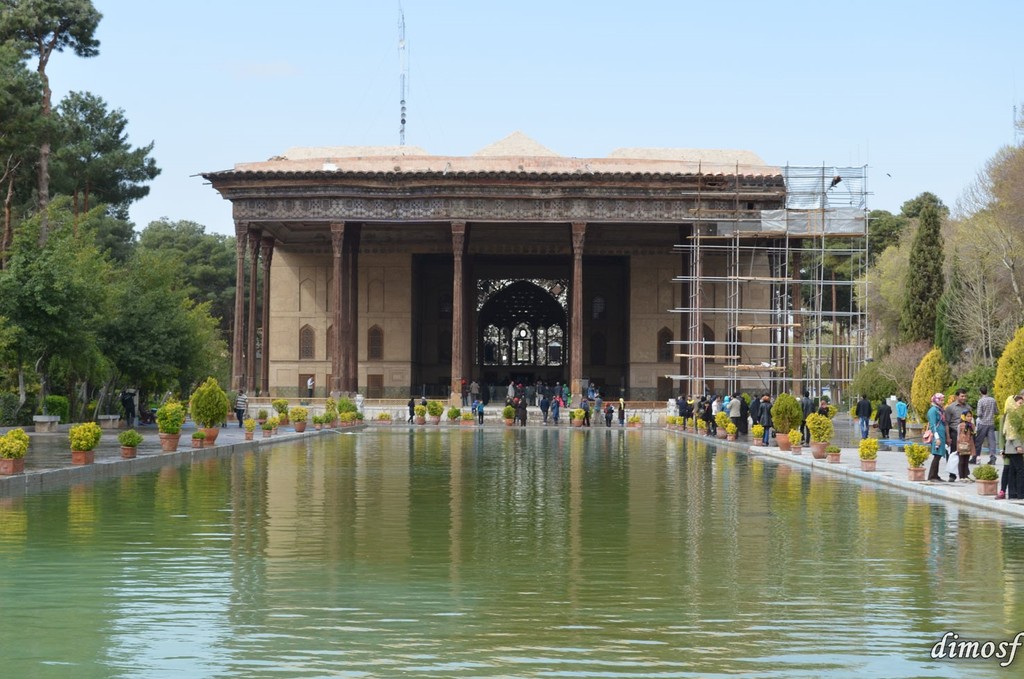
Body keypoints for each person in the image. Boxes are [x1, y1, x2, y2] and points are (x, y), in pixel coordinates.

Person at [1003, 393, 1024, 500]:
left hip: (1012, 447)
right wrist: (1018, 446)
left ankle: (1012, 493)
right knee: (1020, 469)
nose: (1021, 405)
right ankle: (1020, 493)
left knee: (1013, 470)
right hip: (1014, 447)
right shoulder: (1013, 414)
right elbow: (1012, 432)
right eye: (1020, 403)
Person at [926, 393, 948, 482]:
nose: (943, 402)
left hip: (941, 434)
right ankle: (932, 476)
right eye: (941, 400)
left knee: (939, 455)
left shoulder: (939, 410)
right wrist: (937, 437)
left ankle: (935, 475)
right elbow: (933, 425)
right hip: (937, 435)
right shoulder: (933, 410)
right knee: (937, 455)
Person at [974, 386, 997, 464]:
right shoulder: (993, 400)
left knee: (979, 441)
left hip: (982, 423)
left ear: (980, 392)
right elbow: (996, 411)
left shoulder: (980, 401)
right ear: (987, 391)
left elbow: (979, 414)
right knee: (992, 441)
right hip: (991, 423)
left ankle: (976, 457)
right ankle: (992, 457)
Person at [956, 411, 976, 482]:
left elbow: (973, 434)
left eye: (970, 416)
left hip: (969, 444)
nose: (969, 418)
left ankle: (965, 475)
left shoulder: (972, 425)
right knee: (961, 461)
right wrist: (959, 444)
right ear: (964, 417)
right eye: (967, 416)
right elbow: (958, 435)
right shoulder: (960, 425)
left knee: (966, 461)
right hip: (962, 444)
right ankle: (961, 476)